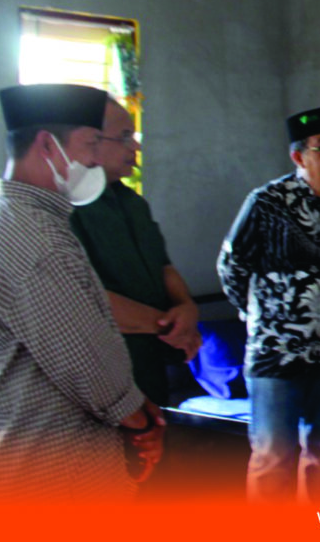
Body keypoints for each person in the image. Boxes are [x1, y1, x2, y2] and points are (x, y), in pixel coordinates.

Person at [0, 84, 164, 502]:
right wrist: (138, 420)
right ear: (48, 146)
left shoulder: (23, 217)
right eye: (90, 144)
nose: (95, 159)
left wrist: (134, 402)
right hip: (49, 464)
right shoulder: (31, 237)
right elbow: (85, 360)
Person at [217, 104, 320, 502]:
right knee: (273, 456)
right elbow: (232, 264)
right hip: (276, 353)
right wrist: (258, 316)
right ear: (298, 156)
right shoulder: (266, 203)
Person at [71, 97, 202, 409]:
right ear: (90, 142)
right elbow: (78, 299)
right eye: (125, 137)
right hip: (101, 373)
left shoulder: (133, 203)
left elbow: (163, 266)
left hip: (150, 366)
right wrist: (170, 328)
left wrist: (186, 307)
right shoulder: (65, 208)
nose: (136, 147)